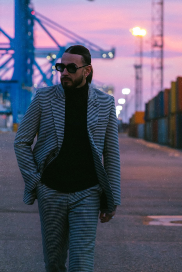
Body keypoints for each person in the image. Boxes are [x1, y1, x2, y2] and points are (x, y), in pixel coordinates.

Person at [14, 45, 121, 272]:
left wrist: (112, 198)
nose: (64, 72)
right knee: (54, 262)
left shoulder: (105, 103)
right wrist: (35, 180)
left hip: (88, 192)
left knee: (81, 263)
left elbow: (111, 153)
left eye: (71, 68)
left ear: (87, 70)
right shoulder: (44, 98)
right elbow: (21, 141)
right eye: (60, 67)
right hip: (51, 190)